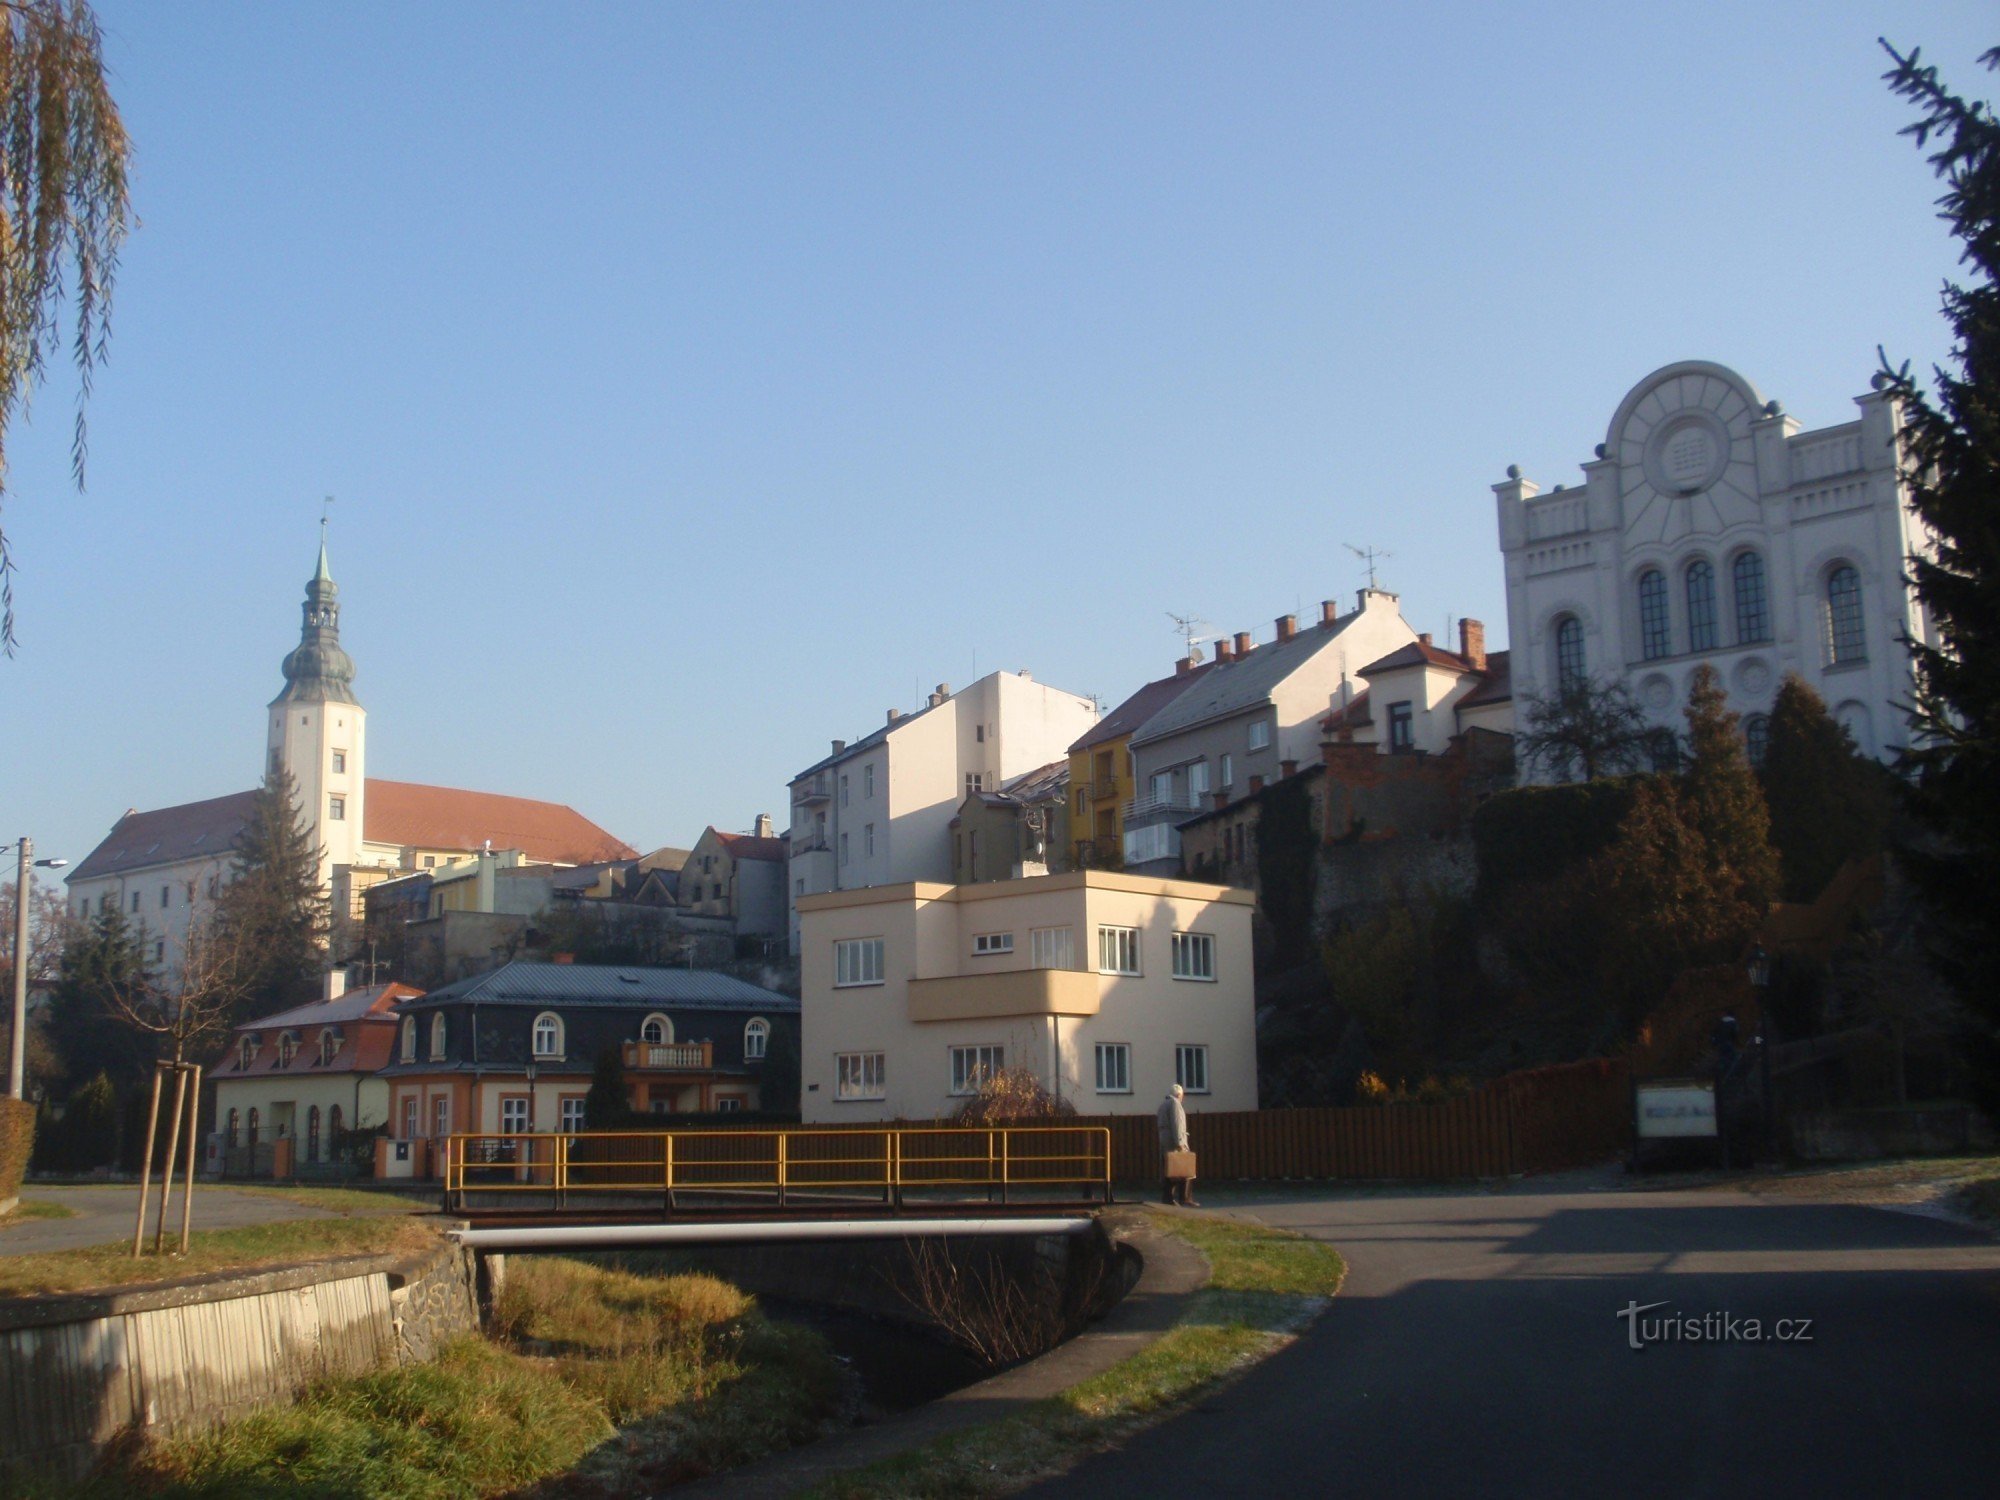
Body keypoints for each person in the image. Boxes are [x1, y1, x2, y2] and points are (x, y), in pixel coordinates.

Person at [1157, 1083, 1198, 1207]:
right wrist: (1180, 1142)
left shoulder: (1163, 1105)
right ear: (1179, 1094)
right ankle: (1185, 1198)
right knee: (1187, 1170)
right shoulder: (1175, 1104)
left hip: (1165, 1141)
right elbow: (1177, 1124)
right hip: (1175, 1141)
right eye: (1182, 1096)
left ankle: (1167, 1197)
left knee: (1170, 1170)